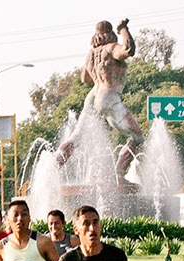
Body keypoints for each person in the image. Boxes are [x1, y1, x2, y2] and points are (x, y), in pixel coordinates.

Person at [55, 19, 143, 192]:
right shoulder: (111, 48)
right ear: (110, 34)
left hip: (93, 95)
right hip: (108, 95)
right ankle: (118, 173)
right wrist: (123, 29)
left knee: (76, 137)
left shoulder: (92, 54)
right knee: (138, 137)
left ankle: (53, 168)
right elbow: (128, 49)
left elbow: (85, 78)